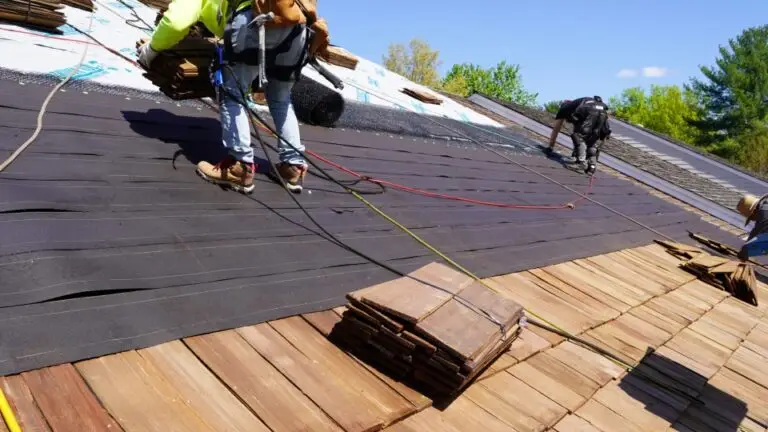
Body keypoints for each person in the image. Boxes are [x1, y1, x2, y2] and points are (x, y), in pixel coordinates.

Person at [137, 0, 330, 194]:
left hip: (257, 19)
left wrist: (151, 50)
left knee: (232, 93)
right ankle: (292, 166)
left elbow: (176, 22)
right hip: (298, 29)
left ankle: (240, 167)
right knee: (281, 98)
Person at [545, 96, 612, 175]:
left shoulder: (564, 109)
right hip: (603, 110)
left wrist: (550, 147)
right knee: (592, 138)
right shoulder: (580, 103)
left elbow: (556, 129)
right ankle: (592, 166)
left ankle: (581, 163)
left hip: (591, 110)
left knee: (578, 135)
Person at [736, 193, 768, 260]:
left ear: (753, 212)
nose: (754, 220)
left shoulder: (764, 212)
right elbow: (756, 231)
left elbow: (759, 233)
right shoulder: (764, 208)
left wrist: (745, 250)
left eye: (752, 218)